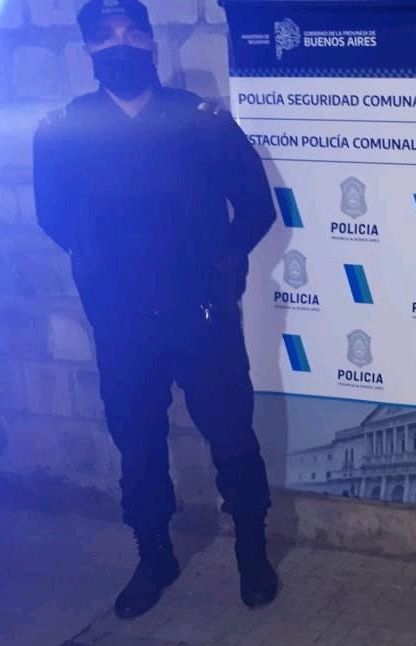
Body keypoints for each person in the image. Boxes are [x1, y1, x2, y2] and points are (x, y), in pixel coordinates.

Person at [33, 0, 279, 619]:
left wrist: (227, 263)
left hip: (201, 315)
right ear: (88, 50)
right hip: (121, 321)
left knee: (232, 436)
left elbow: (256, 205)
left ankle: (252, 551)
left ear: (151, 42)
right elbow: (53, 215)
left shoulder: (202, 121)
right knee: (137, 442)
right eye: (106, 36)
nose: (121, 44)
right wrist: (95, 262)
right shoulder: (63, 129)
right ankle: (154, 555)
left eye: (132, 32)